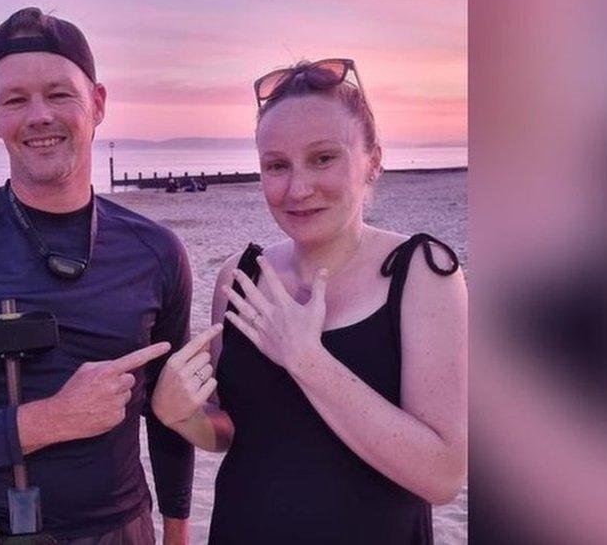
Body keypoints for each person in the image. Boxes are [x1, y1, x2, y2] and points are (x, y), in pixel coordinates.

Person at [0, 8, 208, 544]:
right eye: (15, 100)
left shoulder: (157, 252)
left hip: (122, 529)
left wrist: (177, 527)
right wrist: (49, 420)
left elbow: (170, 412)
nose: (38, 116)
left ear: (97, 103)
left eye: (58, 94)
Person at [151, 59, 468, 543]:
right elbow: (238, 430)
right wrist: (182, 416)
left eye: (323, 158)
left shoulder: (421, 273)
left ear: (373, 161)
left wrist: (307, 360)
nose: (297, 189)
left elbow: (442, 476)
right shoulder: (241, 277)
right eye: (277, 165)